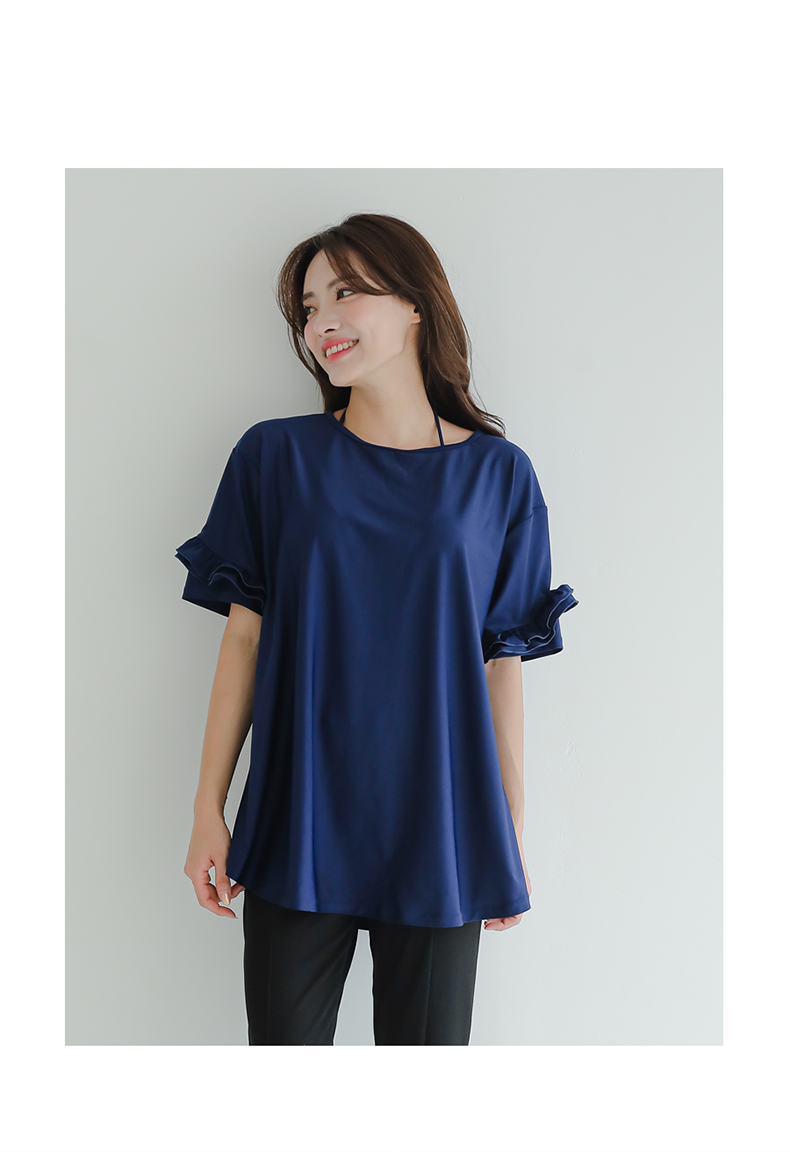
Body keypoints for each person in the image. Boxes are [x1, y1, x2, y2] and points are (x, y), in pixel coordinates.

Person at [176, 212, 578, 1045]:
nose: (322, 321)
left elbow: (501, 666)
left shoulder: (499, 477)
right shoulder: (275, 459)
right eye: (308, 307)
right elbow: (243, 641)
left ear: (416, 304)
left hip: (443, 827)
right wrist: (208, 808)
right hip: (298, 819)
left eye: (345, 293)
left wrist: (507, 830)